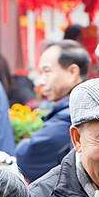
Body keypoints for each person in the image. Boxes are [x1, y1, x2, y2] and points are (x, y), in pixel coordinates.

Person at [16, 40, 89, 181]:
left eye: (46, 71)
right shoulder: (78, 105)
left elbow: (27, 154)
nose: (41, 81)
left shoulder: (73, 115)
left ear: (73, 72)